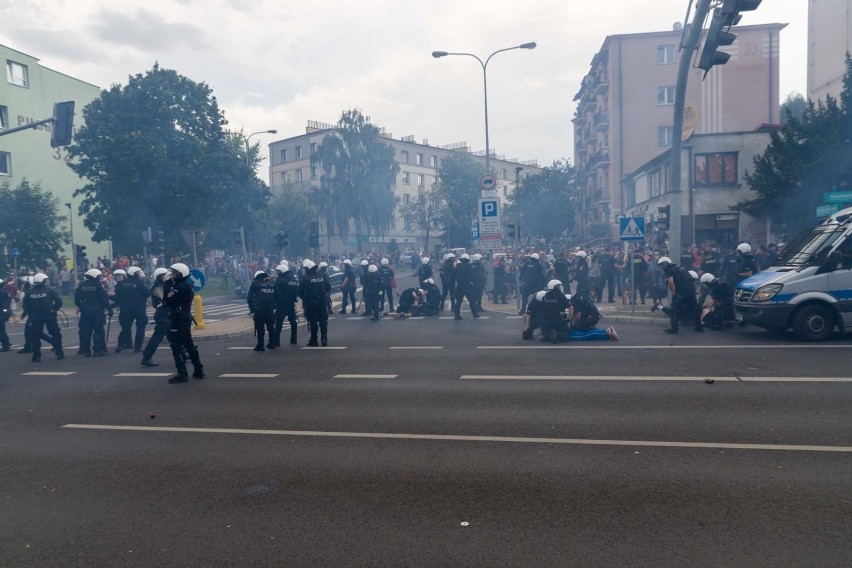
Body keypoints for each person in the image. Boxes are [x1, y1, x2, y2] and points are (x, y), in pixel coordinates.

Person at [163, 262, 204, 383]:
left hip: (179, 319)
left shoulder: (181, 287)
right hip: (183, 318)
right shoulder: (185, 285)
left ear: (181, 274)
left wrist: (166, 285)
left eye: (175, 274)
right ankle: (198, 370)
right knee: (188, 345)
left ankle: (182, 373)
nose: (172, 276)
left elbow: (168, 300)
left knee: (176, 346)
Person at [22, 273, 64, 362]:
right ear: (43, 281)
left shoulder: (29, 292)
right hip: (49, 315)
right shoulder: (49, 290)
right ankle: (59, 352)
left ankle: (36, 356)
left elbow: (26, 306)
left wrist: (31, 314)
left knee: (35, 336)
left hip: (36, 317)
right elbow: (59, 302)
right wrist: (54, 309)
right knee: (55, 334)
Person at [657, 256, 702, 334]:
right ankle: (699, 327)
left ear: (666, 263)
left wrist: (674, 294)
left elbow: (671, 283)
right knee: (694, 308)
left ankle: (674, 329)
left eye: (662, 264)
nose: (661, 267)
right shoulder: (680, 268)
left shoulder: (669, 270)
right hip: (690, 290)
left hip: (682, 292)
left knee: (674, 310)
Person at [75, 268, 110, 357]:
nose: (99, 278)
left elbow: (76, 298)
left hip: (85, 312)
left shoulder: (81, 285)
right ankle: (98, 350)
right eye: (98, 276)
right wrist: (109, 309)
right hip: (97, 312)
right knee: (98, 331)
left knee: (86, 332)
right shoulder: (98, 285)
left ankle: (86, 351)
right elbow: (104, 299)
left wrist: (81, 307)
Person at [140, 267, 170, 367]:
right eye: (165, 276)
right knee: (157, 338)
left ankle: (184, 353)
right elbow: (165, 299)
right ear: (160, 277)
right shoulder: (158, 287)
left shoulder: (162, 285)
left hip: (165, 314)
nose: (167, 277)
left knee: (174, 336)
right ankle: (146, 357)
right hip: (163, 315)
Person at [116, 266, 149, 353]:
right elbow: (147, 293)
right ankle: (138, 347)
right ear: (134, 274)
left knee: (125, 327)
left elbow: (117, 295)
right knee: (140, 327)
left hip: (125, 308)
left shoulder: (121, 283)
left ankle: (120, 345)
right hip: (139, 308)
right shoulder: (139, 283)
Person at [298, 259, 331, 345]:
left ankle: (314, 340)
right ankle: (324, 339)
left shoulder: (306, 278)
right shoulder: (322, 275)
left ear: (308, 268)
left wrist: (305, 298)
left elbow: (299, 291)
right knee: (323, 320)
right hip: (322, 301)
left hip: (311, 302)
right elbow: (328, 287)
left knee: (313, 321)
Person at [247, 270, 276, 351]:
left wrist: (252, 310)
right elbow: (276, 295)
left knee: (260, 327)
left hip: (259, 309)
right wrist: (274, 307)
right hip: (270, 309)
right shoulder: (271, 283)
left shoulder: (255, 283)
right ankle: (272, 343)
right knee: (271, 327)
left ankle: (260, 345)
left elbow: (249, 298)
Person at [273, 261, 300, 346]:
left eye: (278, 272)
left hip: (281, 304)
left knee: (278, 323)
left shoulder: (279, 280)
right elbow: (296, 291)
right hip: (291, 303)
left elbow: (275, 292)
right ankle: (294, 339)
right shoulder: (294, 280)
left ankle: (276, 341)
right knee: (293, 322)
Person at [453, 253, 479, 320]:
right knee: (471, 300)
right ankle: (475, 314)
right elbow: (472, 276)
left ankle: (456, 315)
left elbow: (454, 275)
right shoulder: (469, 266)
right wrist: (474, 282)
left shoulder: (457, 266)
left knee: (458, 301)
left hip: (459, 285)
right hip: (467, 285)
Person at [0, 283, 11, 352]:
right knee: (2, 330)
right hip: (3, 313)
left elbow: (2, 304)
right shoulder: (3, 291)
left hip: (1, 314)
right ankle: (7, 343)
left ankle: (6, 346)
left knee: (1, 331)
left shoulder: (1, 292)